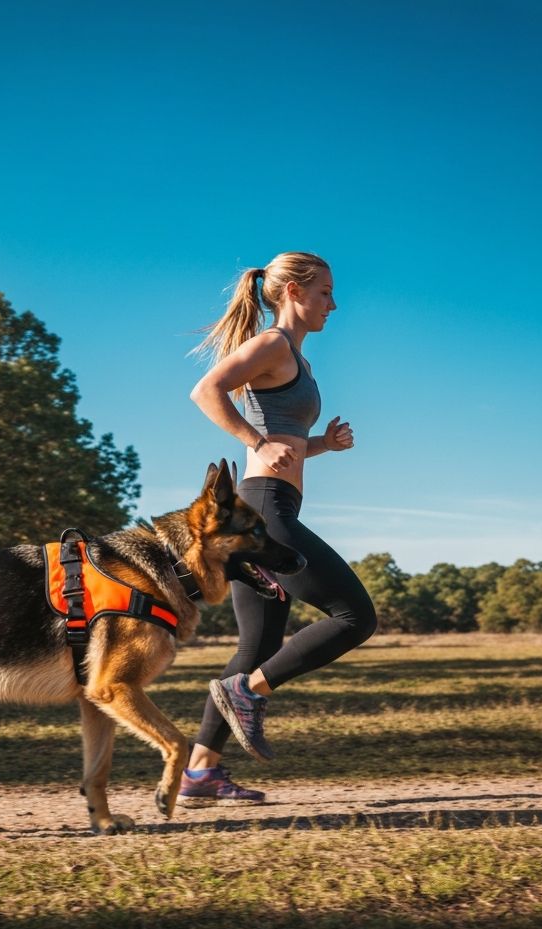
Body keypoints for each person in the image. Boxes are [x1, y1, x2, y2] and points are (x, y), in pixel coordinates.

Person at [177, 251, 377, 807]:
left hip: (271, 505)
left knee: (259, 641)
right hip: (265, 511)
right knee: (354, 616)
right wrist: (253, 440)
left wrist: (322, 446)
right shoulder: (272, 345)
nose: (333, 304)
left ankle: (199, 773)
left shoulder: (301, 363)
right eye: (325, 293)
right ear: (291, 292)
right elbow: (206, 390)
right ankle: (249, 693)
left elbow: (284, 438)